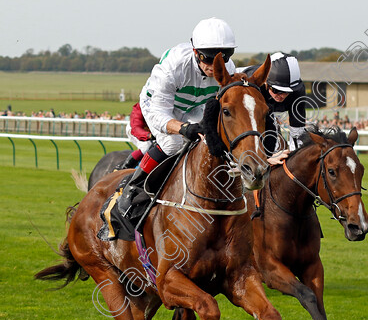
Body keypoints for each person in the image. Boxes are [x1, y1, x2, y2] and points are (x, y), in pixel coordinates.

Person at [111, 17, 238, 218]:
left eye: (223, 58)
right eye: (208, 58)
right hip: (157, 106)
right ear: (195, 52)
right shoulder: (174, 65)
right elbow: (159, 114)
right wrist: (184, 128)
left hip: (194, 107)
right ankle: (134, 187)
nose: (215, 66)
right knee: (173, 144)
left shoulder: (229, 70)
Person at [237, 52, 314, 156]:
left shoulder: (298, 92)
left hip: (270, 106)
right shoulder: (253, 83)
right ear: (266, 83)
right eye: (276, 90)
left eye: (286, 92)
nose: (280, 95)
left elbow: (297, 132)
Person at [115, 102, 154, 170]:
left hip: (150, 131)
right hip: (134, 129)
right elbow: (136, 128)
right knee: (146, 147)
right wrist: (148, 135)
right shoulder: (142, 104)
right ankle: (123, 168)